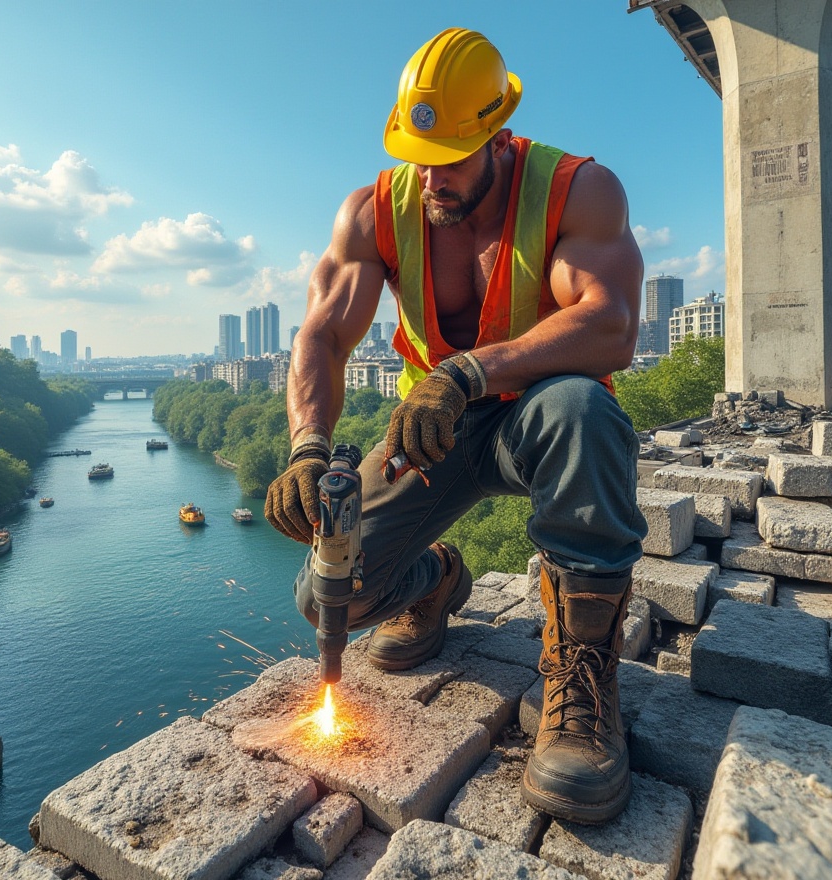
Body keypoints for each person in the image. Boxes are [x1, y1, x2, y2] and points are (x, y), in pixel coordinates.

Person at [264, 27, 648, 824]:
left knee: (585, 410)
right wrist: (305, 446)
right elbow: (324, 335)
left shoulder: (578, 191)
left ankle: (582, 680)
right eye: (419, 153)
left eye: (453, 155)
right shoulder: (376, 210)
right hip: (429, 436)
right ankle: (435, 579)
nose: (432, 175)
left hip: (538, 418)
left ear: (497, 132)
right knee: (328, 594)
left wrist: (467, 371)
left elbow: (610, 325)